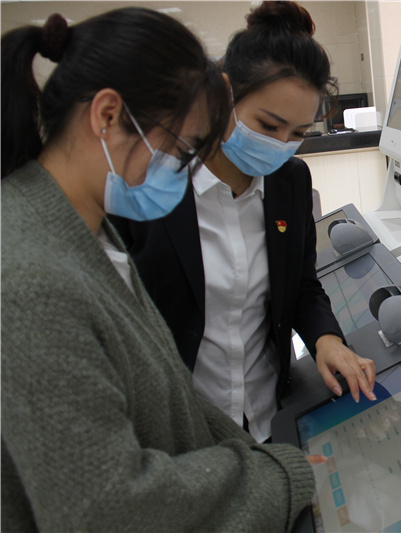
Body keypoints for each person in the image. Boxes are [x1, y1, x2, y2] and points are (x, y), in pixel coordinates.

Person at [1, 8, 317, 531]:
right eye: (180, 149)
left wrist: (267, 461)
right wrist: (280, 477)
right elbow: (106, 509)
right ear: (107, 115)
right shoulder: (32, 280)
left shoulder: (84, 231)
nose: (185, 170)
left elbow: (167, 389)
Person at [110, 1, 377, 444]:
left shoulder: (290, 182)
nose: (280, 146)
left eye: (297, 134)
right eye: (268, 126)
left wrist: (326, 339)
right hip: (181, 433)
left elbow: (301, 286)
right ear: (223, 95)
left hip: (268, 418)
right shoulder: (150, 188)